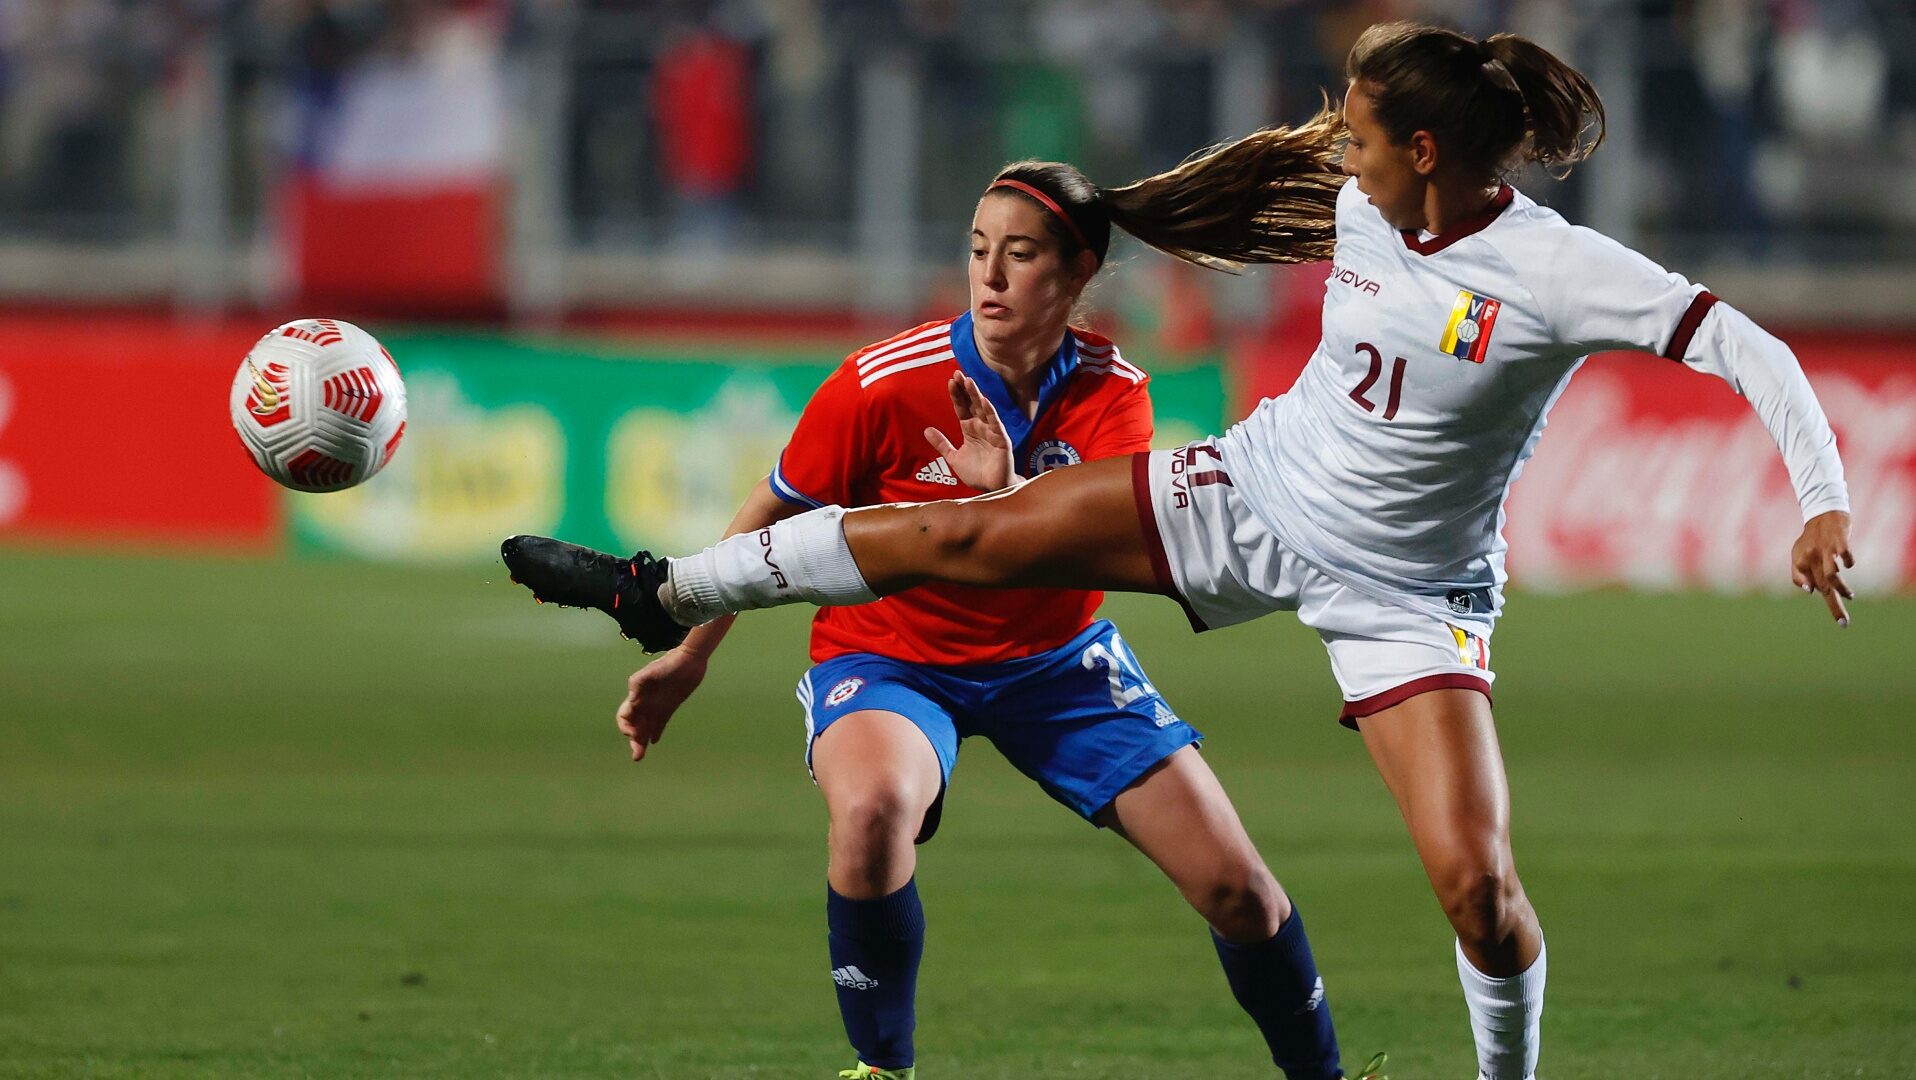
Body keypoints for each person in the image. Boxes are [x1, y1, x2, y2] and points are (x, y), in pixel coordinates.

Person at [504, 22, 1857, 1080]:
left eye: (1364, 133)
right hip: (1255, 494)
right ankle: (656, 588)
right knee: (966, 530)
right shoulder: (1378, 195)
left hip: (1409, 595)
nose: (1344, 150)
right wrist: (1116, 211)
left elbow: (1756, 348)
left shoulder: (1560, 271)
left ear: (1427, 156)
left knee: (1481, 891)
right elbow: (1267, 176)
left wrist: (1823, 499)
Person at [513, 143, 1386, 1080]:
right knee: (874, 812)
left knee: (1240, 891)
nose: (990, 275)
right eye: (978, 249)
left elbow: (1087, 549)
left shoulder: (1113, 394)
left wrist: (1007, 494)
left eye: (1020, 254)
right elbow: (773, 516)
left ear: (1078, 271)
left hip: (1058, 662)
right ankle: (883, 1070)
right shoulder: (883, 380)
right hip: (891, 658)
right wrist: (692, 654)